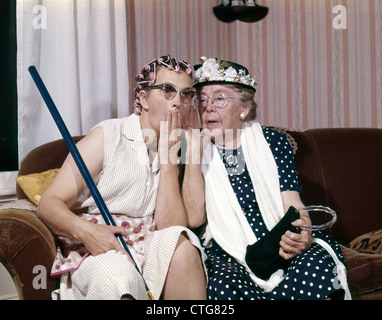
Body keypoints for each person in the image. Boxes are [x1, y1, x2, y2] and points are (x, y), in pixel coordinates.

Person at [37, 55, 206, 300]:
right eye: (168, 90)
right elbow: (48, 204)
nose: (178, 102)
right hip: (97, 250)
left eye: (186, 94)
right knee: (120, 275)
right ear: (143, 98)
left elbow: (171, 228)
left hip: (145, 244)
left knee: (184, 246)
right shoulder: (107, 136)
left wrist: (169, 163)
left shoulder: (175, 145)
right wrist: (88, 233)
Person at [181, 57, 351, 300]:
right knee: (221, 286)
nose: (207, 108)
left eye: (219, 99)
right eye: (203, 100)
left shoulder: (273, 141)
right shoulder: (192, 144)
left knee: (316, 267)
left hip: (278, 240)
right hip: (229, 248)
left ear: (244, 108)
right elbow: (195, 217)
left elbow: (292, 201)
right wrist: (194, 156)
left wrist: (302, 233)